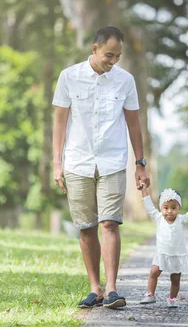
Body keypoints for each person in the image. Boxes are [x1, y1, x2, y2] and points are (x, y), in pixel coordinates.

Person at [52, 26, 150, 309]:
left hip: (112, 161)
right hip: (78, 161)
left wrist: (140, 163)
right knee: (86, 227)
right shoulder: (69, 77)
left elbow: (134, 123)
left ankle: (111, 289)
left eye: (118, 56)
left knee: (109, 223)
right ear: (94, 49)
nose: (113, 61)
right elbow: (60, 121)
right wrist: (57, 163)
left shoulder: (125, 81)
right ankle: (94, 288)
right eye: (109, 55)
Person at [138, 187, 188, 308]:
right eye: (166, 208)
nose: (169, 211)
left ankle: (172, 298)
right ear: (161, 208)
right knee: (154, 272)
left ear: (179, 208)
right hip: (162, 253)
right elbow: (149, 206)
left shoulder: (181, 220)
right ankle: (150, 294)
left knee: (176, 278)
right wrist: (144, 190)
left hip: (177, 255)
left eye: (173, 207)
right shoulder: (159, 218)